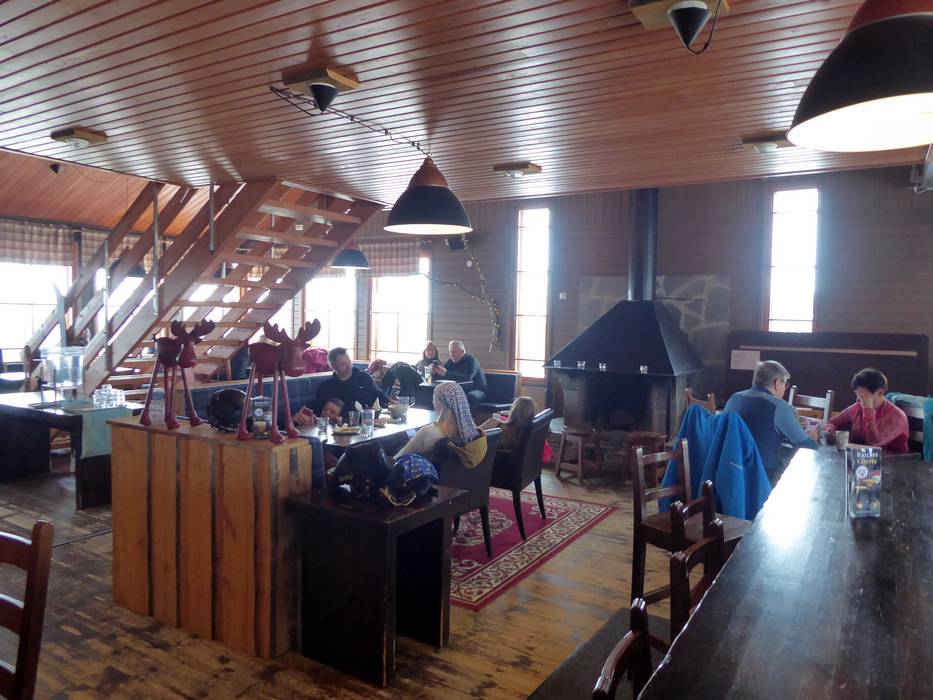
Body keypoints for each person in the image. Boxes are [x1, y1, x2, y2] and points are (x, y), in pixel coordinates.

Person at [723, 360, 817, 482]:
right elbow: (807, 446)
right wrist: (812, 437)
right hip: (762, 477)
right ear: (777, 383)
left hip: (730, 472)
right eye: (785, 384)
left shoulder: (734, 398)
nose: (785, 389)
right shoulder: (778, 406)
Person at [396, 381, 487, 468]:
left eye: (434, 400)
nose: (433, 403)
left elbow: (397, 460)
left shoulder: (428, 432)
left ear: (440, 404)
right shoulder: (475, 435)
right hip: (463, 479)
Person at [822, 368, 908, 453]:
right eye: (857, 395)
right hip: (861, 456)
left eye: (862, 396)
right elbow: (832, 422)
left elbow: (873, 444)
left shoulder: (896, 416)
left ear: (880, 392)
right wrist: (830, 431)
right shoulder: (857, 407)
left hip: (893, 459)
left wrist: (868, 410)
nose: (857, 400)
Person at [310, 347, 389, 417]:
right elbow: (318, 413)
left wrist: (389, 403)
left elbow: (380, 398)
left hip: (368, 421)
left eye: (349, 362)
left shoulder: (363, 378)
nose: (349, 367)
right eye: (343, 365)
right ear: (333, 367)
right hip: (339, 426)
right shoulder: (326, 387)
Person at [433, 340, 488, 405]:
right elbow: (442, 375)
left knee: (469, 397)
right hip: (458, 390)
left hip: (477, 390)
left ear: (462, 351)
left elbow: (467, 378)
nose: (451, 354)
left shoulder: (471, 361)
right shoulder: (450, 362)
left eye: (454, 352)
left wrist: (446, 373)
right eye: (450, 352)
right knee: (438, 393)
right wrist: (435, 372)